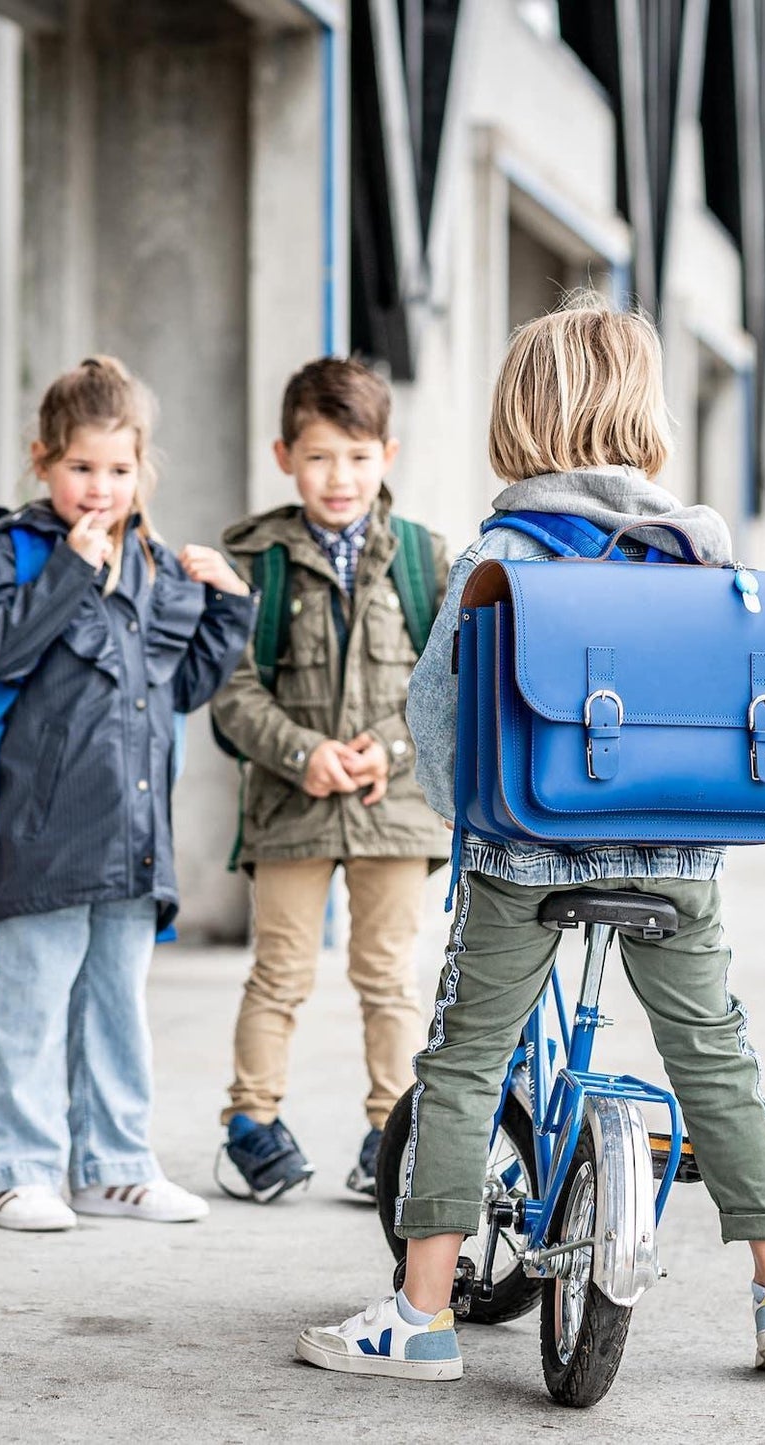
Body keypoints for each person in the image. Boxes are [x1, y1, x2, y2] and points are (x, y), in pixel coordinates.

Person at [295, 302, 765, 1379]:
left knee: (462, 1063)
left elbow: (437, 727)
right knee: (712, 1054)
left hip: (528, 852)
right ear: (643, 411)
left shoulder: (502, 551)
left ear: (519, 416)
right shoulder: (698, 547)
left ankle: (422, 1316)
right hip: (678, 850)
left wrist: (465, 817)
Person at [0, 356, 256, 1231]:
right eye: (80, 468)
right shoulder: (13, 550)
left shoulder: (154, 563)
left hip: (133, 828)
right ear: (42, 460)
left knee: (117, 1005)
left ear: (141, 470)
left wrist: (227, 607)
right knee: (30, 997)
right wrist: (68, 574)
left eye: (118, 470)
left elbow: (181, 684)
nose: (99, 487)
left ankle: (113, 1164)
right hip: (42, 823)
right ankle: (9, 1167)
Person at [210, 358, 449, 1203]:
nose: (337, 477)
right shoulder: (254, 559)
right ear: (284, 455)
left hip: (395, 809)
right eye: (317, 457)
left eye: (355, 456)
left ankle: (393, 1130)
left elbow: (444, 681)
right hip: (288, 803)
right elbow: (231, 688)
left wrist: (385, 749)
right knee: (278, 970)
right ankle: (251, 1125)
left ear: (386, 453)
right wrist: (302, 752)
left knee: (387, 973)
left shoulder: (424, 560)